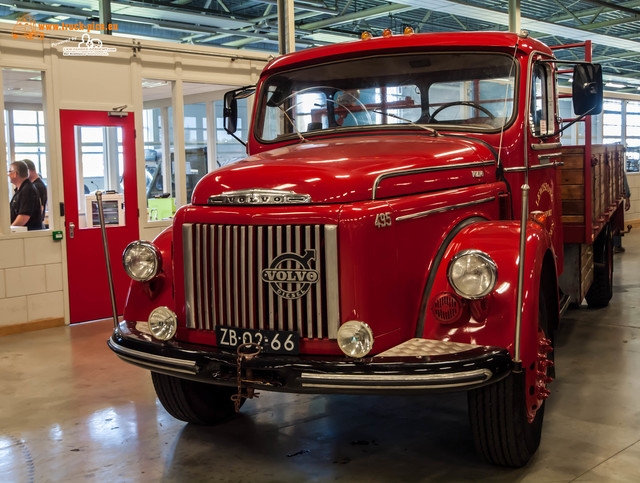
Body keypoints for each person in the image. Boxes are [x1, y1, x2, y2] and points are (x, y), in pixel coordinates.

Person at [8, 160, 43, 230]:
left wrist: (9, 230)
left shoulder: (28, 189)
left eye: (9, 172)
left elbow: (23, 217)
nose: (8, 175)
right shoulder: (21, 189)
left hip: (28, 235)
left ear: (15, 174)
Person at [614, 171, 631, 253]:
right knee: (616, 222)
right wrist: (627, 198)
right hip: (616, 199)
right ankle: (617, 245)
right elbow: (625, 184)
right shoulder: (619, 169)